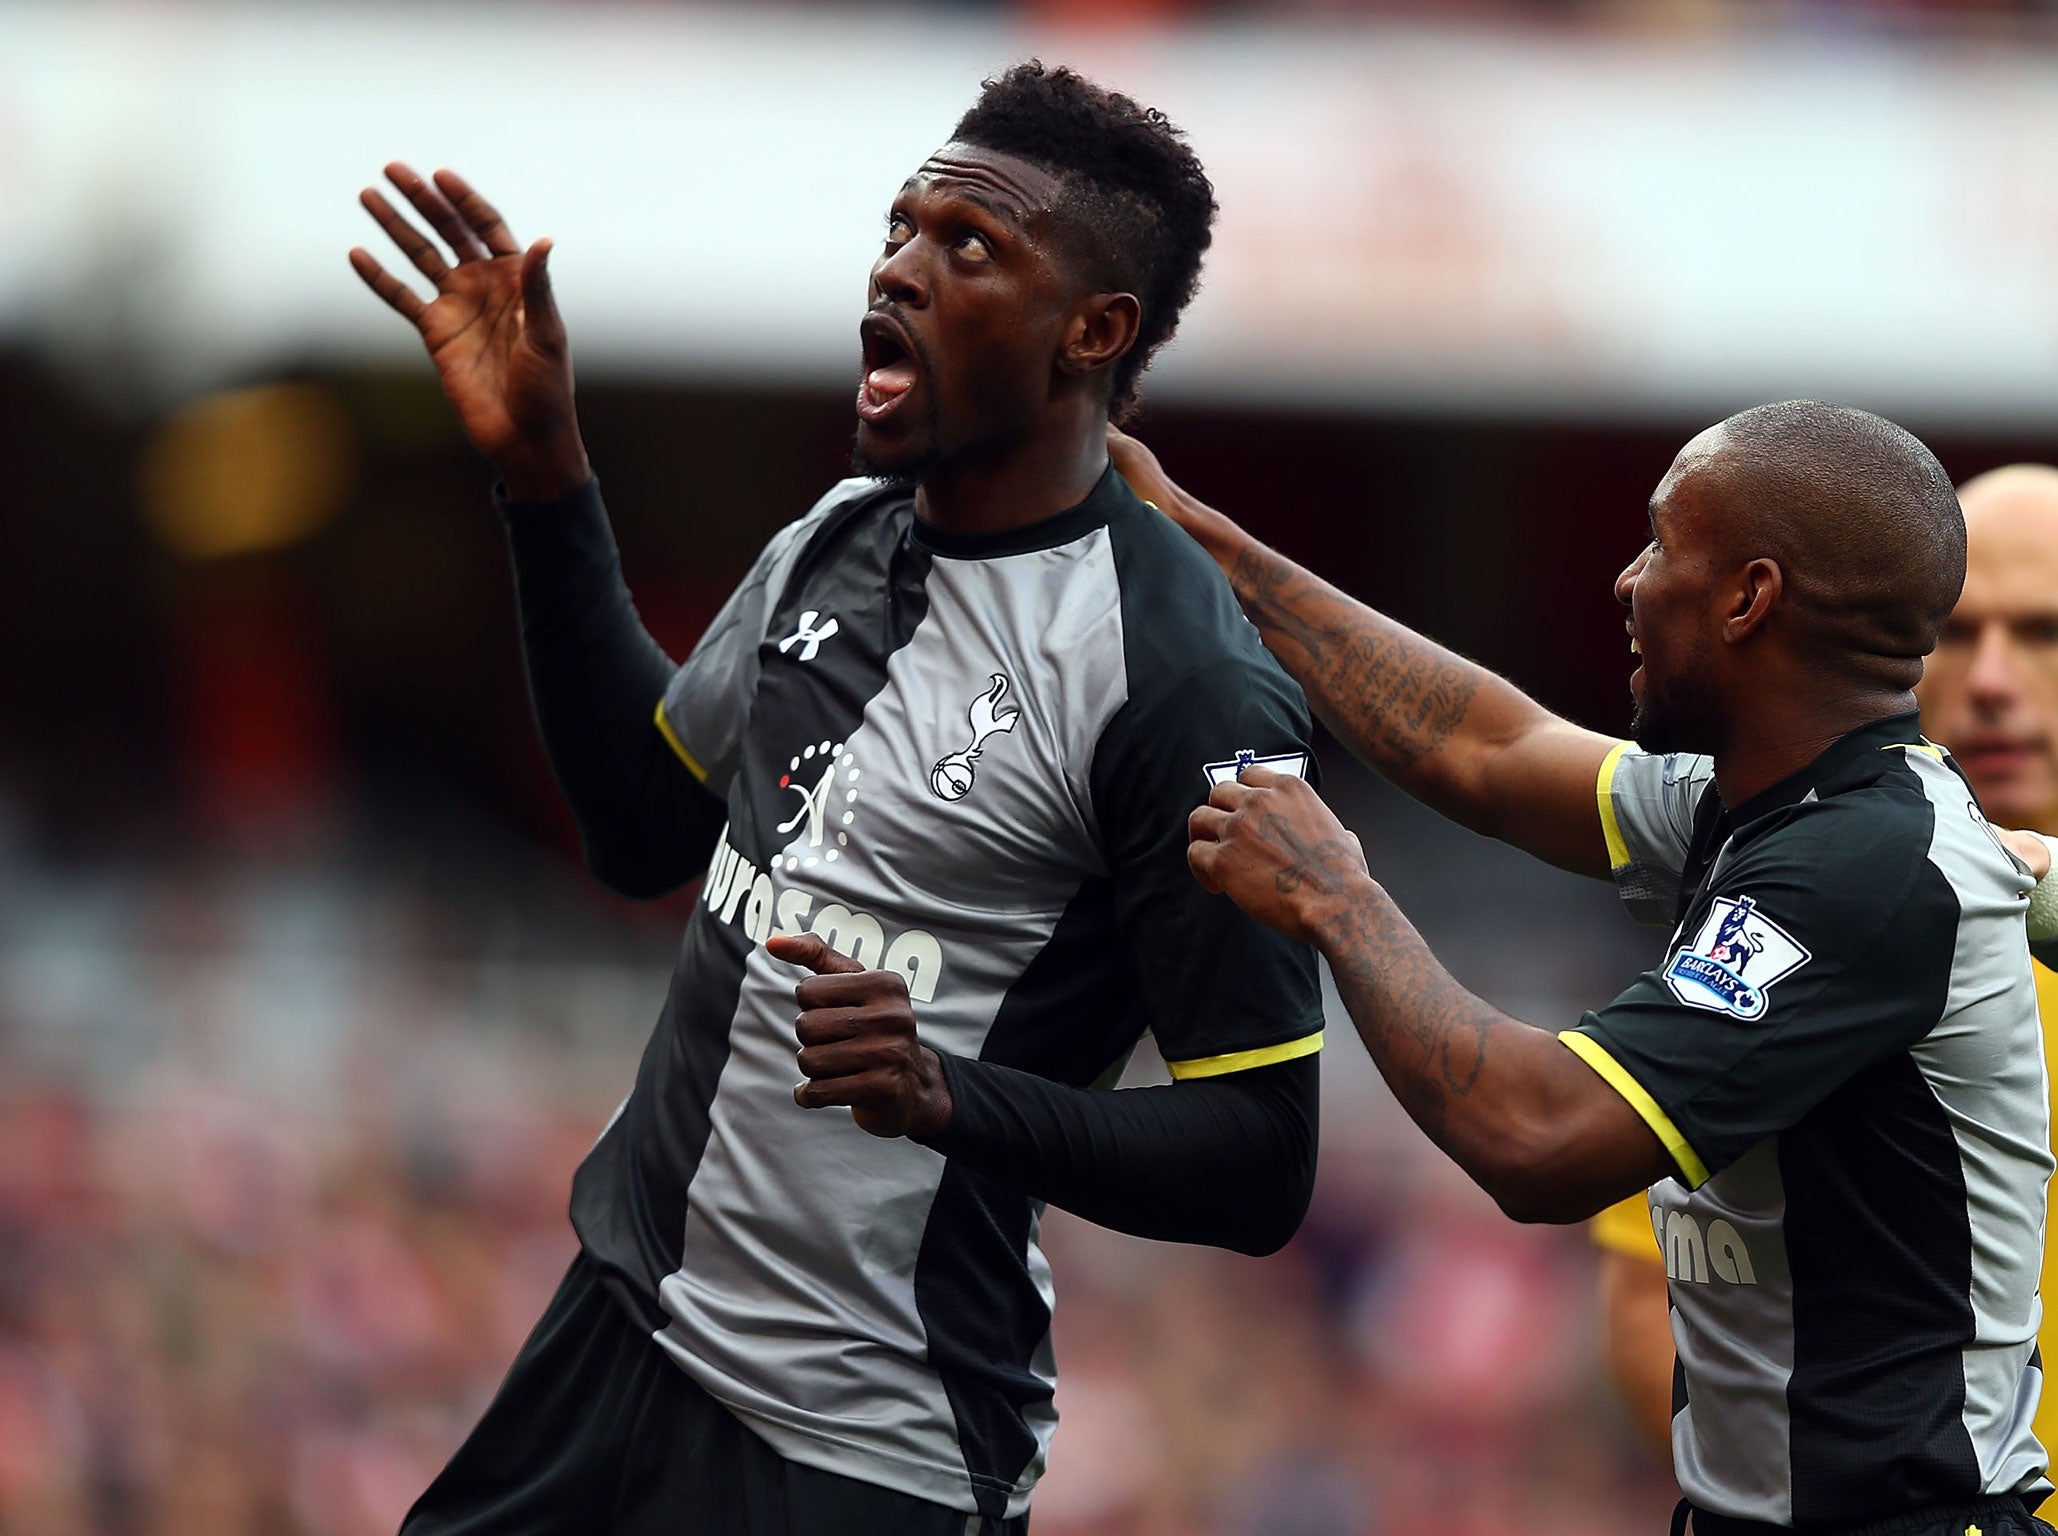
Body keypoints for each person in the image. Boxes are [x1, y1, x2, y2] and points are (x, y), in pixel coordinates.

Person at [349, 64, 1325, 1536]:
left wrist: (948, 1097)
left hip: (860, 1446)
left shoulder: (1175, 680)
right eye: (898, 227)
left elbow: (1261, 1160)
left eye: (967, 247)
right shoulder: (836, 540)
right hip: (613, 1336)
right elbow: (644, 837)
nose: (898, 270)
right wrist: (548, 480)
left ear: (1094, 331)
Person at [1110, 405, 2058, 1534]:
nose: (1625, 580)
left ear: (1749, 597)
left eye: (1662, 546)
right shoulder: (1768, 808)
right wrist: (1205, 541)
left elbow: (1542, 1140)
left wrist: (1335, 897)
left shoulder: (1866, 870)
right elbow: (1492, 752)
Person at [1591, 462, 2058, 1462]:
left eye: (2043, 633)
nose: (1989, 679)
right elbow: (1650, 1296)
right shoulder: (1790, 897)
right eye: (1959, 630)